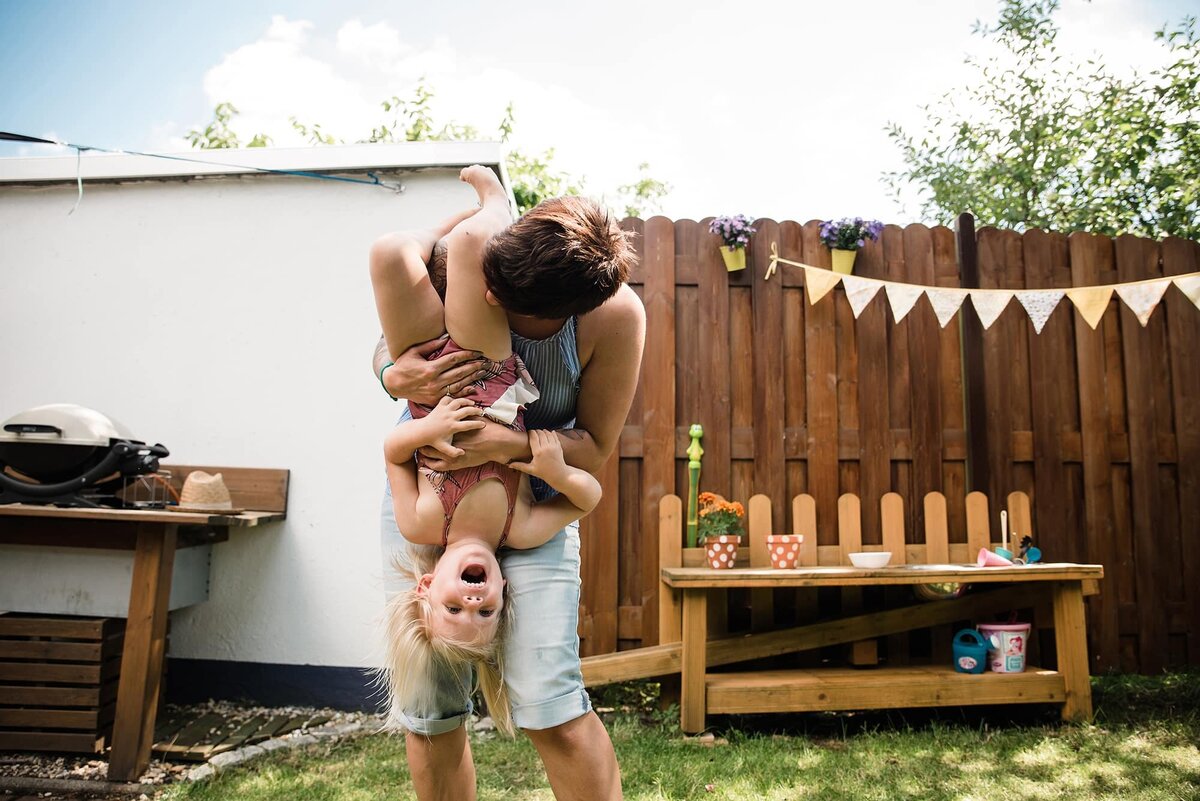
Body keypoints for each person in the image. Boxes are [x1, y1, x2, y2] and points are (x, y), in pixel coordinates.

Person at [371, 166, 645, 801]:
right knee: (430, 712)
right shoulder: (480, 254)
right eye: (489, 281)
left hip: (530, 494)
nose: (486, 297)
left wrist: (513, 445)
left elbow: (595, 452)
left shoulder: (614, 319)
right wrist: (392, 375)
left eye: (509, 300)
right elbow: (391, 340)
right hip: (429, 483)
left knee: (551, 705)